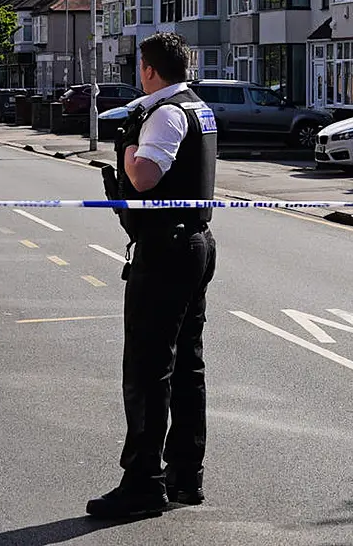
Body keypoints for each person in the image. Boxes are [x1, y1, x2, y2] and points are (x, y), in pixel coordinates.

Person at [87, 32, 218, 519]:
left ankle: (143, 482)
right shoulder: (197, 108)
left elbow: (144, 177)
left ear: (149, 69)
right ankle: (187, 475)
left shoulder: (164, 114)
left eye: (139, 67)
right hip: (196, 243)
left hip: (166, 250)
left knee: (147, 368)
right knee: (188, 364)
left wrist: (125, 155)